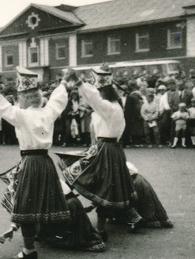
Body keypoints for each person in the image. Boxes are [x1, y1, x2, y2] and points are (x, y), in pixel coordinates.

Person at [0, 67, 75, 259]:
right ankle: (36, 240)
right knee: (39, 202)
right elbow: (59, 99)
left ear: (23, 97)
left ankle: (28, 249)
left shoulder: (21, 115)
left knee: (25, 205)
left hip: (30, 162)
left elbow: (1, 107)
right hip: (45, 161)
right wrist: (64, 83)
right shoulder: (48, 111)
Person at [61, 64, 143, 240]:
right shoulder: (114, 106)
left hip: (107, 149)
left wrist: (79, 82)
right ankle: (133, 216)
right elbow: (95, 100)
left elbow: (94, 99)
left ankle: (100, 228)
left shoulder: (108, 107)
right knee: (112, 186)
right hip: (109, 148)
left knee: (103, 188)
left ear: (104, 92)